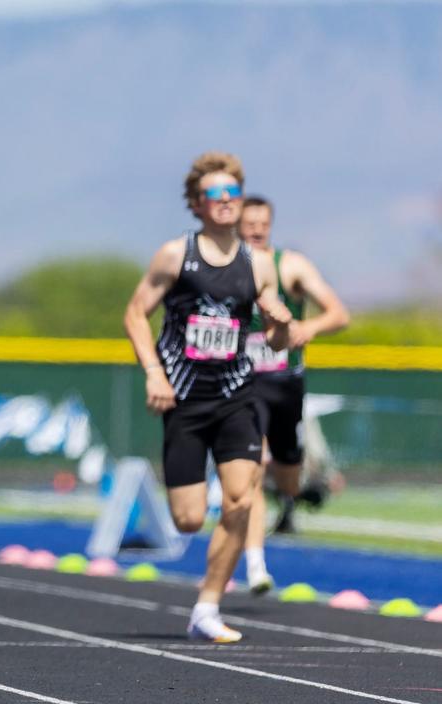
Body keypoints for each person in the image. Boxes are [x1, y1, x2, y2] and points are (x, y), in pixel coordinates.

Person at [123, 151, 291, 643]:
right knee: (189, 518)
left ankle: (207, 608)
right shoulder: (176, 255)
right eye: (214, 194)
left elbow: (275, 340)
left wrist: (281, 325)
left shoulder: (259, 263)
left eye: (232, 192)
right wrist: (154, 373)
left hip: (237, 395)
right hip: (185, 399)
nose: (225, 200)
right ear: (196, 204)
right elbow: (135, 314)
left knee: (240, 500)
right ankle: (205, 584)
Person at [239, 195, 350, 594]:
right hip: (243, 385)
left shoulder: (291, 266)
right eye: (249, 224)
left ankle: (287, 490)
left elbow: (339, 313)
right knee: (250, 469)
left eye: (263, 224)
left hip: (284, 385)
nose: (256, 230)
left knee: (288, 478)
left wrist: (309, 328)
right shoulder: (224, 270)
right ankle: (256, 566)